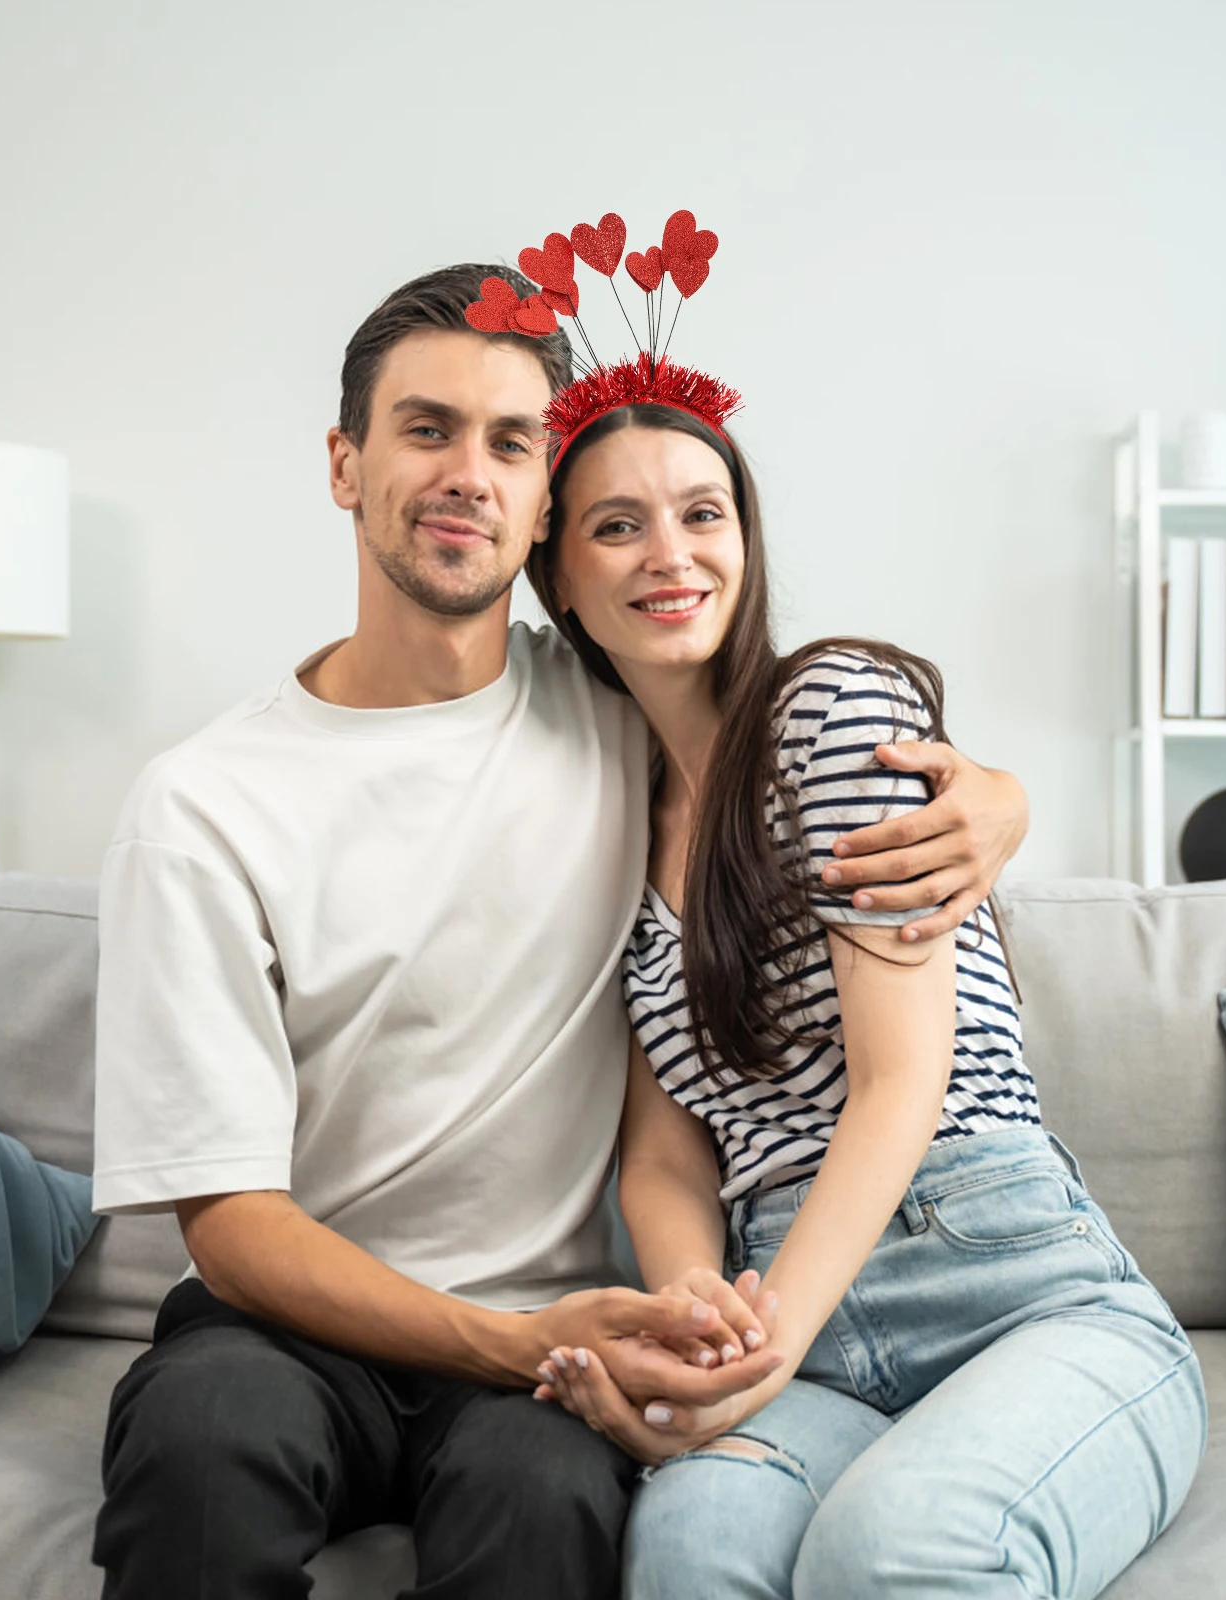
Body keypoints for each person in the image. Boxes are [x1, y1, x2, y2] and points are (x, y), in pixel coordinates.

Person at [88, 261, 1031, 1600]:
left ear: (544, 511)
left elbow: (795, 743)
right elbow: (232, 1225)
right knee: (202, 1448)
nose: (470, 471)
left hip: (561, 1339)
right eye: (427, 430)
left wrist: (994, 798)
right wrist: (504, 1338)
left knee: (541, 1507)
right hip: (290, 1329)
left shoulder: (621, 714)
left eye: (512, 441)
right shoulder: (202, 805)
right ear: (346, 465)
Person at [527, 398, 1208, 1599]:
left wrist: (756, 1349)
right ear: (559, 579)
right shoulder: (609, 821)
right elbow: (666, 1155)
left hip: (1002, 1278)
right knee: (688, 1548)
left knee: (886, 1553)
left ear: (747, 539)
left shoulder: (832, 708)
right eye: (618, 525)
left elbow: (902, 1082)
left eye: (702, 512)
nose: (671, 554)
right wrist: (699, 1321)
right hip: (796, 1318)